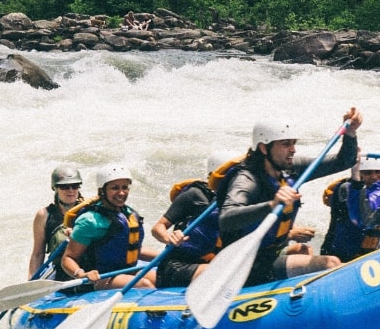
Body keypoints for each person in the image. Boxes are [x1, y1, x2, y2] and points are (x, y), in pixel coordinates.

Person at [216, 108, 362, 287]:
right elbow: (226, 218)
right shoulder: (247, 180)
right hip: (244, 266)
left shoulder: (291, 169)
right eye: (285, 144)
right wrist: (271, 204)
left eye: (293, 143)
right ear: (263, 147)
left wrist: (350, 134)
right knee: (330, 264)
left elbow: (344, 161)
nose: (293, 150)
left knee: (305, 252)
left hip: (270, 256)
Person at [61, 163, 158, 289]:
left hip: (126, 269)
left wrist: (166, 255)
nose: (121, 193)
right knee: (145, 285)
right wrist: (81, 274)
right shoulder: (90, 221)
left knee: (161, 280)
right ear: (102, 190)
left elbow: (131, 249)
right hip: (98, 276)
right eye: (115, 188)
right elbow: (68, 258)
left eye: (125, 187)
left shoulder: (128, 214)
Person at [151, 157, 222, 288]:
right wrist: (170, 238)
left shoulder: (237, 201)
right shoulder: (194, 195)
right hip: (177, 266)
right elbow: (157, 228)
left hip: (209, 263)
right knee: (218, 272)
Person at [320, 156, 380, 262]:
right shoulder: (346, 190)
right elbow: (363, 218)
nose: (374, 177)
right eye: (368, 173)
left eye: (378, 172)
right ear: (360, 175)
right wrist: (356, 181)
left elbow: (377, 229)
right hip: (340, 259)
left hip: (367, 258)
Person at [27, 165, 83, 278]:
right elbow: (38, 254)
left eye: (75, 186)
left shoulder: (89, 211)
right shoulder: (44, 215)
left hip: (86, 270)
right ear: (55, 188)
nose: (71, 190)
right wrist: (31, 281)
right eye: (64, 187)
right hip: (60, 272)